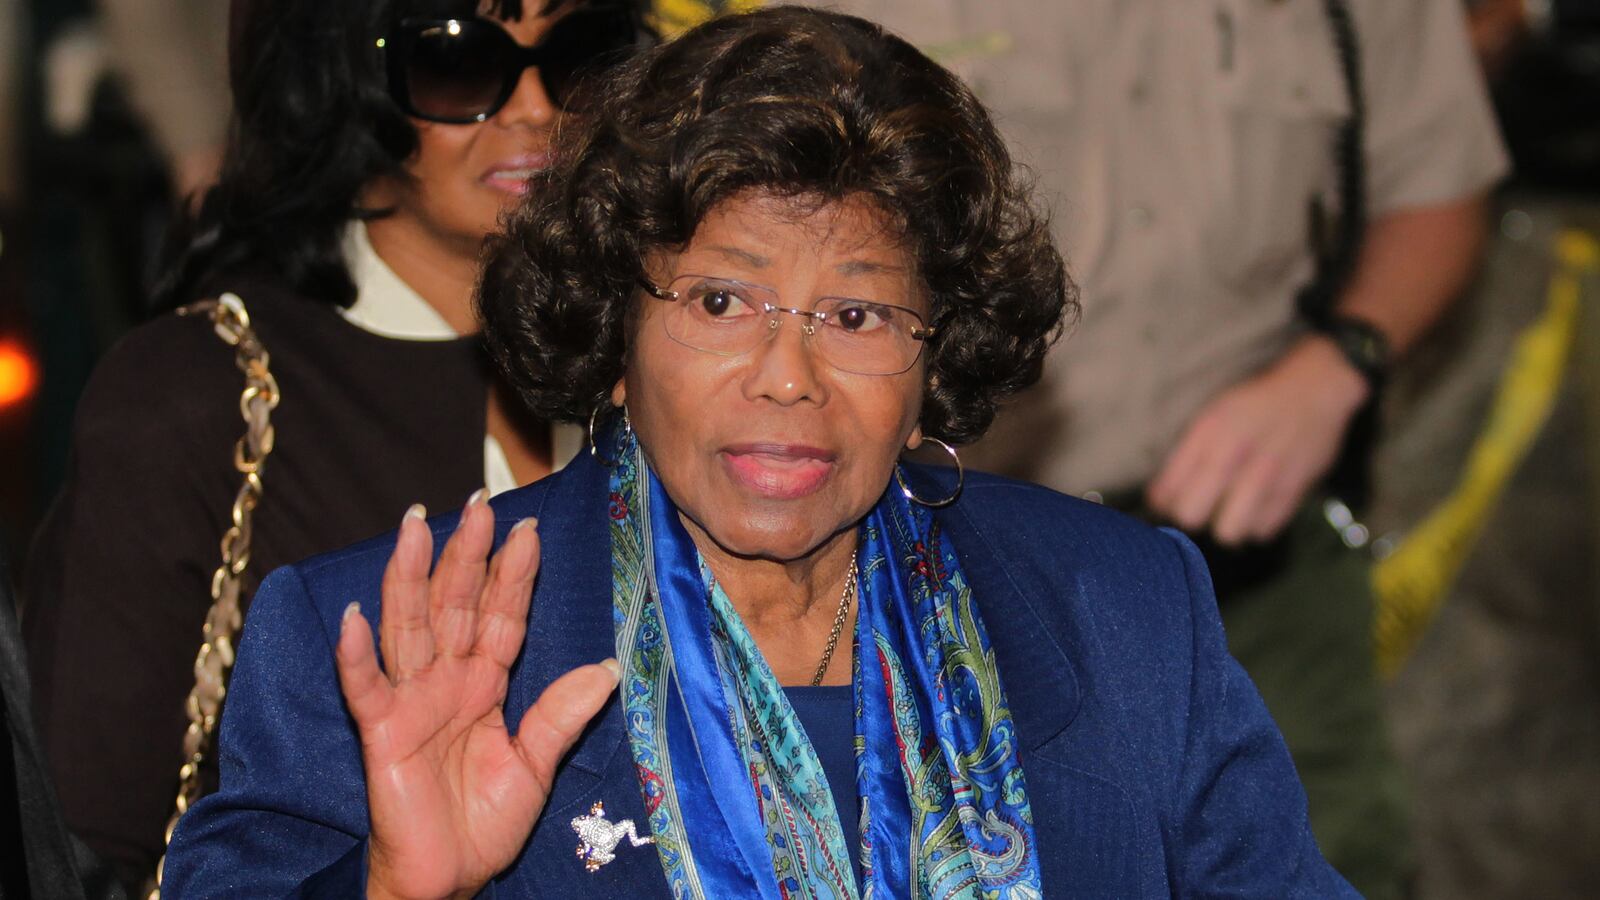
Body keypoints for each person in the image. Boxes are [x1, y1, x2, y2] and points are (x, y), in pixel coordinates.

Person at [163, 8, 1357, 896]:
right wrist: (393, 888)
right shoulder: (367, 640)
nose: (787, 378)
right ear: (614, 337)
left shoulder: (1123, 613)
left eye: (857, 315)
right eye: (720, 303)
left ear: (933, 361)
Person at [787, 2, 1509, 895]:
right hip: (948, 567)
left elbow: (1440, 182)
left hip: (1255, 557)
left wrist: (1336, 366)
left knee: (1337, 846)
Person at [20, 0, 646, 892]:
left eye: (581, 55)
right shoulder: (195, 389)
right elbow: (74, 849)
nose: (537, 108)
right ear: (340, 84)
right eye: (456, 62)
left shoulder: (675, 367)